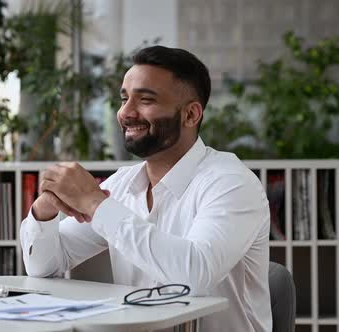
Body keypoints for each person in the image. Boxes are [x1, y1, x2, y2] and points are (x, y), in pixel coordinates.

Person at [20, 46, 272, 331]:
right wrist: (45, 208)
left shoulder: (231, 183)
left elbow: (194, 276)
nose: (126, 113)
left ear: (191, 115)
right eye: (125, 98)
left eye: (146, 100)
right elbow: (45, 265)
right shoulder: (122, 184)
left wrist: (95, 204)